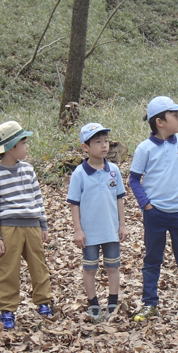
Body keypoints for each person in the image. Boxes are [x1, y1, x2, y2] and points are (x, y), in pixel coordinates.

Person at [129, 96, 178, 322]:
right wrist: (146, 205)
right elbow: (134, 179)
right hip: (155, 215)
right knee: (152, 259)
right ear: (160, 122)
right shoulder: (144, 148)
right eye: (175, 116)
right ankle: (149, 303)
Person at [0, 121, 53, 329]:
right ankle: (6, 309)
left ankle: (43, 302)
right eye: (23, 142)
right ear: (11, 147)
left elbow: (37, 198)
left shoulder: (29, 170)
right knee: (8, 268)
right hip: (9, 229)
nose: (27, 147)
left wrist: (43, 225)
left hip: (32, 226)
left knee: (38, 265)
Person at [67, 123, 127, 321]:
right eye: (98, 142)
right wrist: (78, 230)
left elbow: (119, 198)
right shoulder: (79, 173)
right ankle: (93, 302)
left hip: (110, 229)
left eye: (106, 141)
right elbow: (74, 203)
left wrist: (122, 224)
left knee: (113, 266)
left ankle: (112, 301)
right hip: (90, 232)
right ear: (85, 147)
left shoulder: (113, 171)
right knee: (90, 267)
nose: (104, 146)